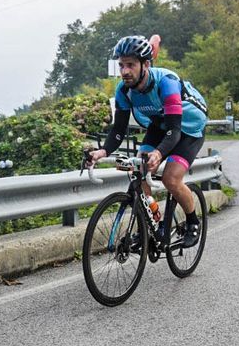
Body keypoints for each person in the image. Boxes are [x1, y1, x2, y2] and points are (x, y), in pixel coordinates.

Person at [86, 35, 208, 248]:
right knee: (140, 171)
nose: (125, 71)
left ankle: (192, 223)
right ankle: (150, 228)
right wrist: (102, 152)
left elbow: (174, 131)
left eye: (130, 65)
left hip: (187, 129)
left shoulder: (167, 83)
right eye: (121, 65)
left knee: (171, 179)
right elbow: (118, 130)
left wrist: (158, 154)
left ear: (146, 65)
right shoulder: (123, 90)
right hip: (160, 125)